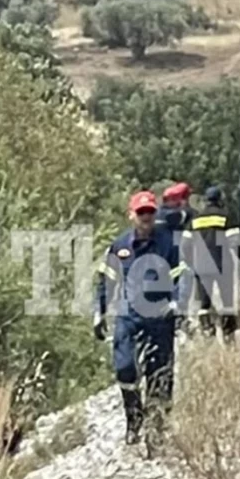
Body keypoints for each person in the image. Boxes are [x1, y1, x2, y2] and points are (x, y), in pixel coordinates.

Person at [94, 190, 188, 446]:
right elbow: (105, 280)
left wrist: (177, 302)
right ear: (131, 215)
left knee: (160, 373)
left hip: (160, 317)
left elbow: (182, 276)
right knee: (125, 369)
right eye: (141, 212)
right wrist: (98, 312)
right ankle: (134, 421)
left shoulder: (170, 243)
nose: (146, 216)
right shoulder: (120, 246)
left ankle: (156, 427)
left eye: (150, 212)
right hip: (128, 318)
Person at [188, 186, 240, 338]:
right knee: (227, 298)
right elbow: (236, 241)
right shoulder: (225, 216)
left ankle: (207, 331)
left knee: (204, 300)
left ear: (206, 200)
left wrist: (189, 260)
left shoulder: (196, 219)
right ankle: (229, 332)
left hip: (201, 263)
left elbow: (185, 243)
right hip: (222, 262)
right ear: (220, 199)